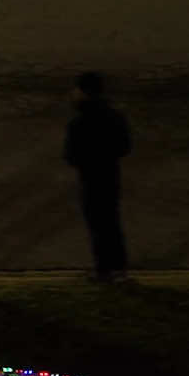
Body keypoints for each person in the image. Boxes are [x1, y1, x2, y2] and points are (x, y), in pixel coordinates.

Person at [63, 71, 131, 281]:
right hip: (110, 176)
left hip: (90, 178)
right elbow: (125, 147)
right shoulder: (115, 117)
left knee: (97, 225)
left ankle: (103, 269)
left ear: (83, 92)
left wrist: (86, 160)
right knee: (111, 222)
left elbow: (70, 156)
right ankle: (118, 268)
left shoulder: (78, 123)